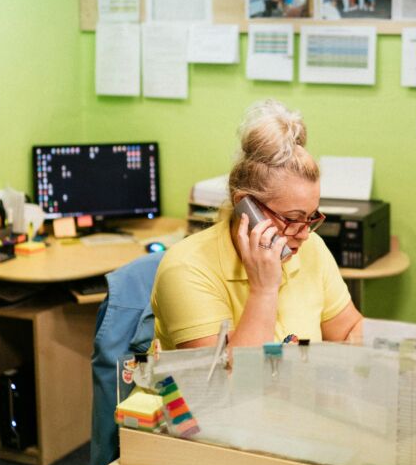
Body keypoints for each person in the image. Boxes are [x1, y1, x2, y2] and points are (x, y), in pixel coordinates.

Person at [151, 100, 364, 350]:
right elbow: (224, 381)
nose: (305, 233)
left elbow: (349, 328)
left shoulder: (311, 248)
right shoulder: (186, 269)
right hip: (200, 390)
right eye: (293, 218)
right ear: (246, 207)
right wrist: (264, 290)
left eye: (311, 216)